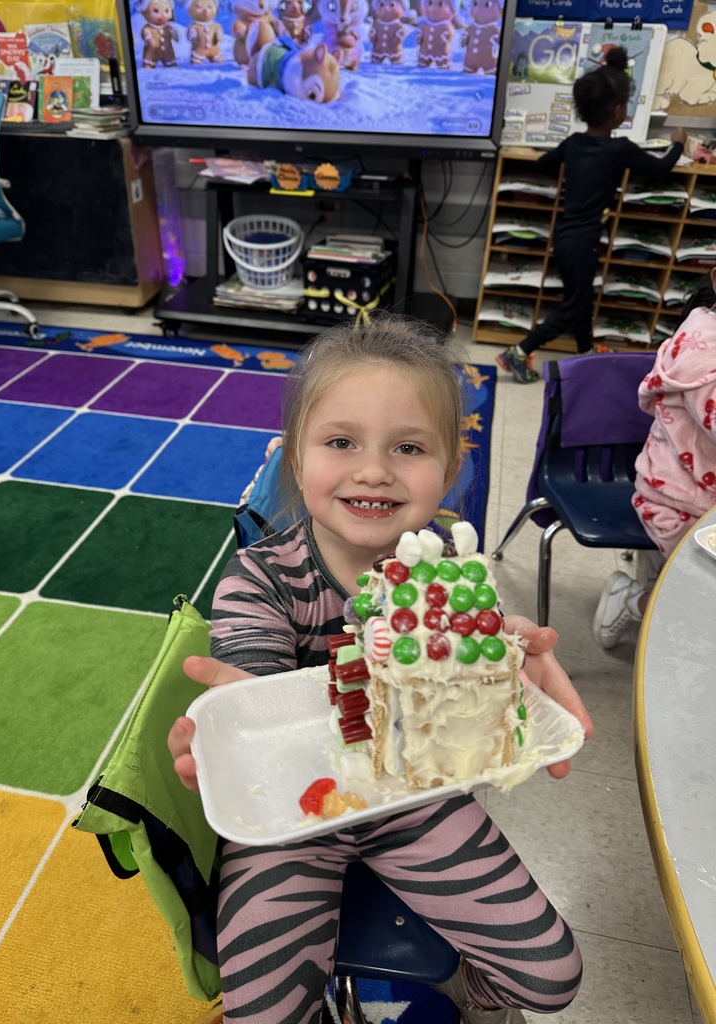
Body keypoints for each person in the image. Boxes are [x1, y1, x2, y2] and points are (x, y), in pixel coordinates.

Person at [168, 315, 594, 1024]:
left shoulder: (448, 571)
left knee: (550, 979)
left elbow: (472, 690)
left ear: (450, 470)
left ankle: (473, 995)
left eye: (408, 447)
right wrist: (238, 717)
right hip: (290, 814)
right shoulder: (260, 579)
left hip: (414, 797)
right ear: (294, 460)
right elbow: (255, 692)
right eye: (341, 442)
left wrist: (494, 660)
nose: (373, 469)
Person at [496, 46, 687, 384]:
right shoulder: (620, 150)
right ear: (617, 112)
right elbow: (660, 169)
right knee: (574, 305)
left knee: (580, 299)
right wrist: (678, 143)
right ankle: (520, 351)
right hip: (582, 241)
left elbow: (543, 164)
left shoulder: (573, 143)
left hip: (567, 236)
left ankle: (584, 350)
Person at [594, 267, 716, 648]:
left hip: (701, 498)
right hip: (677, 502)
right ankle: (634, 601)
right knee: (698, 603)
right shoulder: (704, 345)